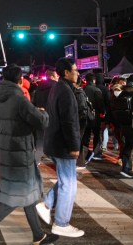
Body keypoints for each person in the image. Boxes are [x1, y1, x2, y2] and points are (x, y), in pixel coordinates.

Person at [0, 65, 53, 245]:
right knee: (14, 196)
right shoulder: (18, 99)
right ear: (19, 79)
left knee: (27, 193)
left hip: (7, 150)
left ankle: (39, 235)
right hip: (19, 151)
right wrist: (44, 113)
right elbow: (40, 121)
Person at [37, 57, 85, 238]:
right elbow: (69, 121)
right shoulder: (65, 91)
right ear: (66, 72)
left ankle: (46, 204)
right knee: (69, 184)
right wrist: (74, 146)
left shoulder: (58, 88)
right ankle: (61, 223)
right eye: (75, 70)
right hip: (63, 144)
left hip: (55, 141)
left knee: (67, 180)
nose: (78, 73)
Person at [110, 74, 133, 178]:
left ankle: (126, 167)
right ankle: (126, 169)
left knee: (127, 145)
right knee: (130, 145)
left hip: (122, 123)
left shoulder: (122, 93)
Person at [33, 69, 59, 163]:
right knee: (54, 139)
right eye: (56, 76)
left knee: (39, 139)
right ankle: (56, 162)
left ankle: (36, 161)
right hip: (52, 116)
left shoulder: (39, 86)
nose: (57, 78)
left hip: (40, 114)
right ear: (52, 76)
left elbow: (34, 101)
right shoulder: (56, 86)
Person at [82, 73, 104, 162]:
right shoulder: (96, 90)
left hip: (84, 116)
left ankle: (85, 153)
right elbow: (100, 104)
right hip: (95, 117)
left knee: (85, 136)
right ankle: (96, 153)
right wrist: (103, 112)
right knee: (97, 135)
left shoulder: (82, 90)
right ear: (94, 80)